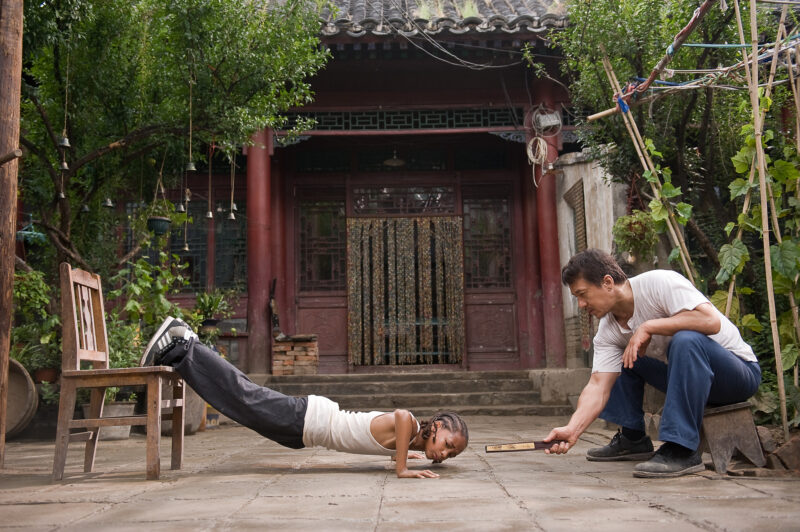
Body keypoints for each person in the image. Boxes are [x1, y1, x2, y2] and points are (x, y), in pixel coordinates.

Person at [140, 317, 469, 479]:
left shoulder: (410, 439)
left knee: (242, 407)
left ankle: (188, 350)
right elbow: (399, 414)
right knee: (243, 396)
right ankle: (184, 344)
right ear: (436, 425)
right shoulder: (408, 423)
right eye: (448, 444)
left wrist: (405, 455)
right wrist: (400, 469)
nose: (445, 453)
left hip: (306, 432)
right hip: (312, 419)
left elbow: (384, 437)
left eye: (451, 454)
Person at [543, 249, 761, 478]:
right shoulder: (607, 332)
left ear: (607, 282)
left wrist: (647, 327)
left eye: (583, 294)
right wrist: (573, 429)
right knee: (624, 357)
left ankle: (682, 449)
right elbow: (598, 386)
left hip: (737, 374)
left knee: (686, 340)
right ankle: (632, 439)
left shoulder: (659, 283)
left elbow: (710, 320)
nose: (581, 304)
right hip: (689, 377)